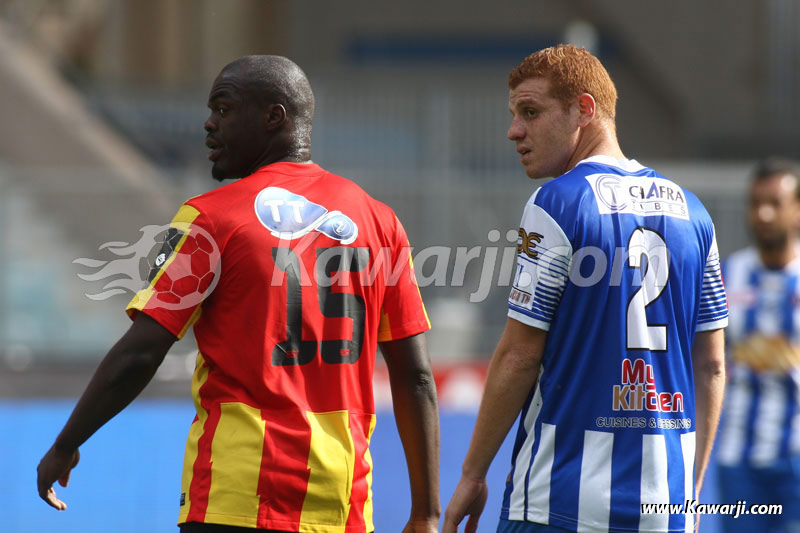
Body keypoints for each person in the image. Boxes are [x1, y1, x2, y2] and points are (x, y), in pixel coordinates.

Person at [37, 55, 440, 533]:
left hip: (234, 499)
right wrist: (425, 513)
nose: (209, 125)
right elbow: (414, 377)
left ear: (275, 117)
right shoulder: (380, 222)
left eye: (224, 109)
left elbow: (141, 354)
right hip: (342, 507)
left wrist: (66, 443)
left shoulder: (210, 219)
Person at [443, 44, 727, 533]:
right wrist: (692, 490)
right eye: (514, 115)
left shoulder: (558, 202)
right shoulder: (695, 212)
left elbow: (519, 356)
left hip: (560, 500)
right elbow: (713, 364)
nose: (514, 131)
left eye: (530, 112)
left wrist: (472, 473)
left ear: (584, 110)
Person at [714, 158, 800, 533]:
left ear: (796, 209)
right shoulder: (725, 276)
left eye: (775, 203)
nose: (763, 213)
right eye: (755, 203)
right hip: (738, 458)